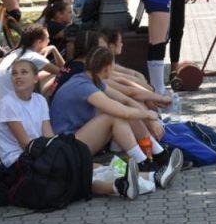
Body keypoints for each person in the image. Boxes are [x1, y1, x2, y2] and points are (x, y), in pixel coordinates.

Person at [0, 58, 141, 200]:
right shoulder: (8, 103)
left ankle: (141, 177)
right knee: (72, 171)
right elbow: (26, 144)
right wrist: (59, 157)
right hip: (18, 162)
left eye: (23, 72)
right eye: (14, 73)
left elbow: (49, 136)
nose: (18, 76)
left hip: (39, 154)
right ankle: (120, 185)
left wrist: (62, 154)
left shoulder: (39, 100)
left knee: (83, 164)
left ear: (35, 78)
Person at [50, 47, 182, 189]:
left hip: (77, 140)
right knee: (114, 116)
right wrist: (148, 114)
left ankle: (157, 155)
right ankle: (143, 164)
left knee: (122, 112)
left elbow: (125, 100)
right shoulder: (83, 86)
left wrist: (150, 116)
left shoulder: (91, 79)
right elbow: (122, 111)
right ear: (107, 68)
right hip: (67, 147)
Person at [0, 24, 64, 116]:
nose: (49, 41)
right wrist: (53, 49)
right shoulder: (34, 57)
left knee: (43, 74)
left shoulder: (14, 53)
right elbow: (64, 72)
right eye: (47, 39)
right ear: (39, 42)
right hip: (13, 111)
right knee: (55, 76)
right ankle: (47, 110)